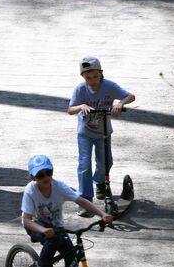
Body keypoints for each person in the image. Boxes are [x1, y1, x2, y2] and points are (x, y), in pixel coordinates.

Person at [67, 56, 135, 217]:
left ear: (101, 73)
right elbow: (70, 110)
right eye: (88, 77)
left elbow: (131, 96)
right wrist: (80, 106)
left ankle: (100, 182)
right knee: (84, 164)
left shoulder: (110, 87)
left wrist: (120, 103)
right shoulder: (80, 90)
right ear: (83, 77)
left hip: (104, 131)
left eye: (95, 76)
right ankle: (85, 198)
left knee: (106, 161)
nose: (92, 80)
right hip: (85, 132)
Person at [21, 155, 113, 267]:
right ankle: (42, 265)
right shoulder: (30, 190)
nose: (45, 177)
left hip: (57, 227)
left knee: (72, 257)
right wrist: (44, 230)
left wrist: (102, 214)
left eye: (48, 172)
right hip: (35, 225)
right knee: (53, 240)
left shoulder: (59, 187)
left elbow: (82, 201)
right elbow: (27, 221)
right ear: (32, 178)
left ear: (52, 171)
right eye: (40, 175)